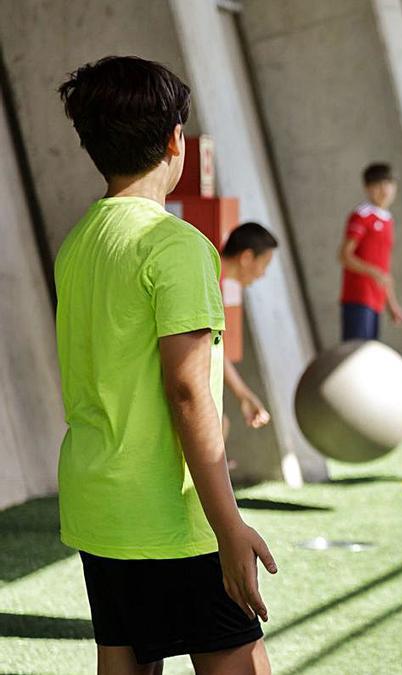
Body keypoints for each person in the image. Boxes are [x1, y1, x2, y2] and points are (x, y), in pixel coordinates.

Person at [54, 56, 274, 674]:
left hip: (98, 504)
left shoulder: (78, 244)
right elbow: (185, 390)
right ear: (177, 141)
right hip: (169, 515)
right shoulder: (176, 246)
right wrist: (228, 525)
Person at [220, 222, 277, 437]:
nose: (262, 274)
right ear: (246, 258)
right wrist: (243, 395)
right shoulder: (209, 281)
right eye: (264, 264)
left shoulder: (214, 277)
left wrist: (243, 395)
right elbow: (207, 347)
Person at [339, 163, 402, 341]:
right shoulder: (362, 216)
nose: (384, 190)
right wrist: (373, 272)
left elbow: (383, 267)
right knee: (356, 353)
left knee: (369, 353)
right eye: (377, 185)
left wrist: (391, 304)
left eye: (387, 184)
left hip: (376, 300)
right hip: (358, 295)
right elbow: (345, 256)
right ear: (367, 188)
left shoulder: (387, 220)